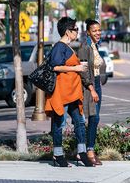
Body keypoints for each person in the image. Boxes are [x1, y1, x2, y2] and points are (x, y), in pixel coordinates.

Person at [45, 17, 97, 167]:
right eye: (75, 29)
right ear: (68, 32)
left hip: (73, 93)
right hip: (62, 93)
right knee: (59, 124)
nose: (77, 31)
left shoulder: (67, 47)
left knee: (80, 123)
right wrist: (76, 68)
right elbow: (54, 66)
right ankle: (58, 155)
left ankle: (81, 153)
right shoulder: (59, 47)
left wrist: (78, 67)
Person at [78, 18, 106, 166]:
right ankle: (88, 151)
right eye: (94, 30)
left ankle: (89, 149)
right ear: (88, 32)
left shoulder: (94, 46)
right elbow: (83, 71)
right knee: (92, 118)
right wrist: (91, 88)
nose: (98, 33)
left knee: (95, 119)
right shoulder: (85, 47)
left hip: (96, 84)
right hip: (90, 86)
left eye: (99, 30)